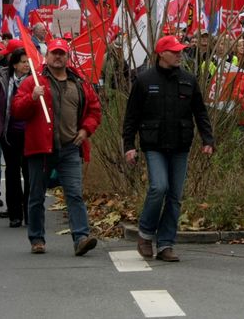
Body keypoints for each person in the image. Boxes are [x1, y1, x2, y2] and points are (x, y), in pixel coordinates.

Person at [123, 35, 214, 263]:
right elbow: (131, 117)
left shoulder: (189, 80)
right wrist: (129, 147)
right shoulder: (144, 81)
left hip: (180, 145)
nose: (179, 54)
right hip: (154, 145)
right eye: (174, 51)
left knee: (174, 196)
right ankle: (145, 234)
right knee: (158, 187)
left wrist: (207, 140)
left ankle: (165, 244)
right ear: (161, 53)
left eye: (180, 50)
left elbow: (200, 113)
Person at [13, 38, 102, 256]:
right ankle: (37, 238)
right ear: (47, 56)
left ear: (67, 56)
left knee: (74, 194)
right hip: (41, 149)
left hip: (71, 147)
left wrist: (85, 130)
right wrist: (32, 98)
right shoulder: (33, 81)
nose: (58, 56)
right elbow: (16, 111)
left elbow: (94, 110)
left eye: (62, 53)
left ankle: (81, 237)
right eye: (54, 53)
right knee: (36, 196)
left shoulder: (79, 83)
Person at [0, 46, 32, 228]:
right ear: (15, 64)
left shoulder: (35, 81)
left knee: (30, 173)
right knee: (12, 172)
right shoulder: (3, 80)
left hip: (30, 133)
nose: (26, 65)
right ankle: (15, 213)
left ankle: (31, 212)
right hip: (9, 134)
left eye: (28, 62)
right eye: (23, 62)